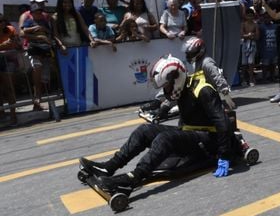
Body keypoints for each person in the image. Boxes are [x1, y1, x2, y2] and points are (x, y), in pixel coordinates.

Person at [79, 54, 235, 192]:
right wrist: (158, 114)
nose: (166, 90)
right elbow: (166, 104)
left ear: (177, 78)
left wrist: (224, 155)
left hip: (209, 140)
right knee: (145, 130)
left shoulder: (203, 90)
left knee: (165, 138)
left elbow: (223, 123)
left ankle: (134, 178)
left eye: (166, 86)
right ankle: (109, 167)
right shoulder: (182, 88)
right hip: (192, 134)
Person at [19, 0, 53, 111]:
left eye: (41, 8)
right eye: (39, 6)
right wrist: (37, 33)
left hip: (45, 49)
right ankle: (37, 100)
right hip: (33, 49)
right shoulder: (27, 18)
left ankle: (41, 101)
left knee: (45, 77)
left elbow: (50, 31)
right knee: (37, 70)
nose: (40, 12)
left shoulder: (44, 19)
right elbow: (22, 33)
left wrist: (45, 32)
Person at [0, 14, 20, 125]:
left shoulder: (11, 29)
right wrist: (3, 45)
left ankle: (13, 115)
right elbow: (6, 45)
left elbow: (18, 44)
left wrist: (14, 43)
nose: (2, 24)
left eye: (3, 21)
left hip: (9, 60)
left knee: (9, 87)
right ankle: (1, 113)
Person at [240, 8, 259, 86]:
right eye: (248, 16)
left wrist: (252, 36)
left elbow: (258, 36)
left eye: (251, 15)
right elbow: (241, 35)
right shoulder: (243, 24)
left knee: (251, 63)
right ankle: (244, 79)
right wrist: (248, 35)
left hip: (253, 44)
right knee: (244, 63)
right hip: (244, 44)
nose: (250, 17)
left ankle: (251, 79)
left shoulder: (255, 24)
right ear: (246, 16)